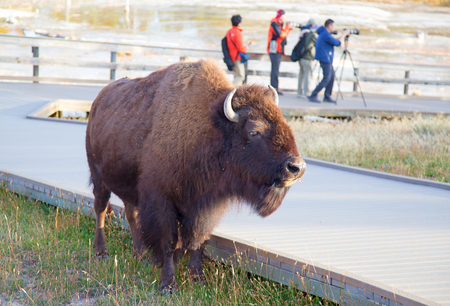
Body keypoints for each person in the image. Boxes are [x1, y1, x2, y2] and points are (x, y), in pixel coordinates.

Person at [308, 19, 349, 103]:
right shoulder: (326, 34)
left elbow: (334, 40)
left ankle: (327, 96)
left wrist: (342, 36)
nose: (333, 28)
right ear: (329, 26)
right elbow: (338, 43)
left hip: (326, 58)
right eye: (333, 26)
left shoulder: (324, 33)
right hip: (325, 58)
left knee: (331, 77)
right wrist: (344, 35)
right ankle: (313, 95)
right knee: (326, 78)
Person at [267, 10, 292, 95]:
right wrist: (288, 28)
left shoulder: (278, 23)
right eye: (284, 16)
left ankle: (274, 89)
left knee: (275, 70)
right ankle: (274, 90)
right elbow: (281, 35)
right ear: (281, 16)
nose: (285, 18)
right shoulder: (274, 23)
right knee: (275, 71)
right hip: (275, 51)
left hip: (277, 50)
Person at [297, 19, 318, 99]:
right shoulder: (312, 35)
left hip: (301, 57)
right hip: (308, 58)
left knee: (301, 75)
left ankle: (299, 92)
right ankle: (306, 93)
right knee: (307, 76)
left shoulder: (304, 32)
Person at [226, 15, 248, 86]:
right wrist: (246, 48)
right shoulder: (237, 32)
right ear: (239, 23)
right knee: (241, 76)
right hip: (237, 57)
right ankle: (228, 87)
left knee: (236, 75)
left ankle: (233, 92)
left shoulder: (229, 32)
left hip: (231, 57)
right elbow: (240, 48)